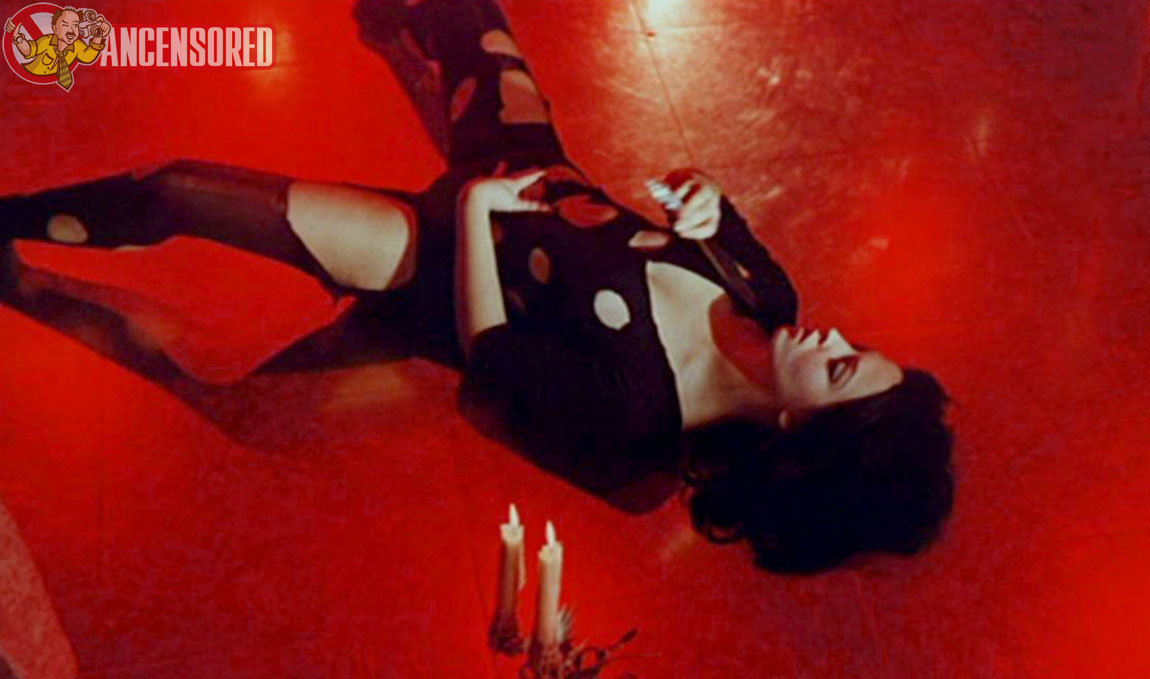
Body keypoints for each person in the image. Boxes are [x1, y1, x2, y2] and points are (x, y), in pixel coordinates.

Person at [0, 0, 954, 573]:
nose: (833, 338)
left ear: (794, 431)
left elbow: (487, 358)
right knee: (465, 8)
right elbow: (713, 216)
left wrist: (474, 216)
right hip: (531, 169)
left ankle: (10, 223)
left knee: (179, 191)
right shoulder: (769, 297)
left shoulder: (636, 413)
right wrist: (707, 198)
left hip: (432, 255)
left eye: (838, 371)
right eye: (857, 347)